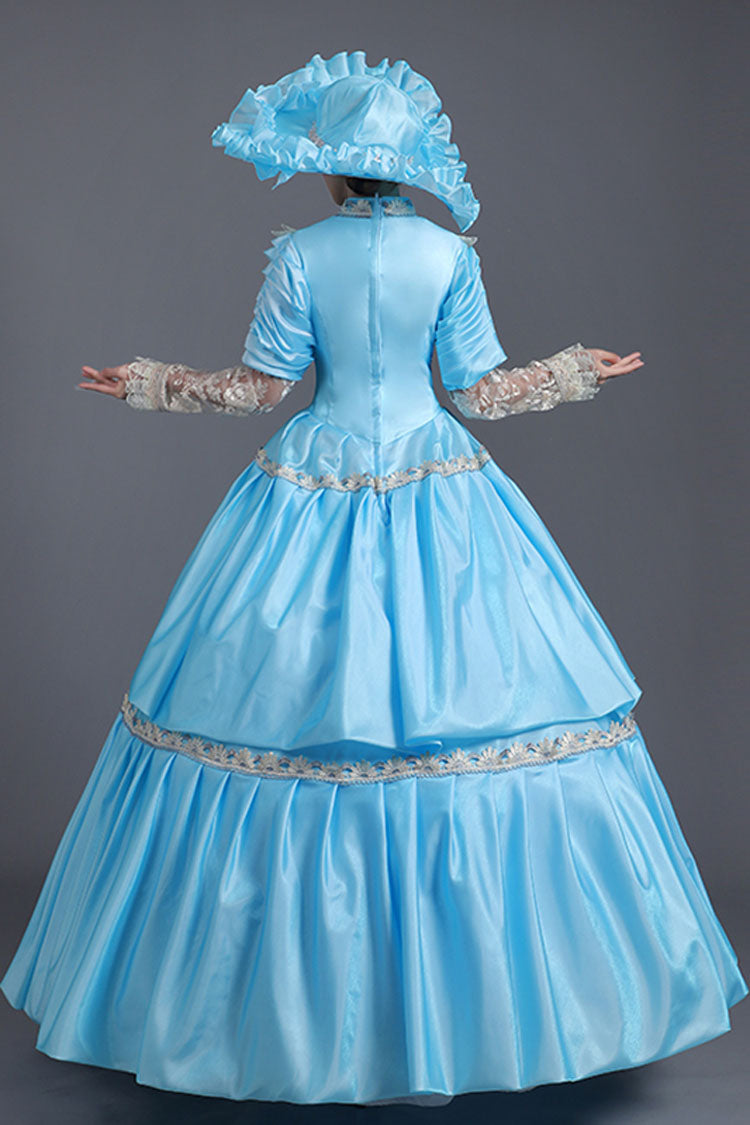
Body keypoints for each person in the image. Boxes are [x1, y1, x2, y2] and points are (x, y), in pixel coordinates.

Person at [1, 50, 746, 1108]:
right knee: (478, 703)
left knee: (272, 710)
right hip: (446, 491)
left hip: (311, 481)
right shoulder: (448, 254)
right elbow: (480, 394)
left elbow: (258, 389)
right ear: (409, 161)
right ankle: (470, 1013)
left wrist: (146, 384)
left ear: (334, 163)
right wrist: (580, 371)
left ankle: (278, 1018)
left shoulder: (301, 253)